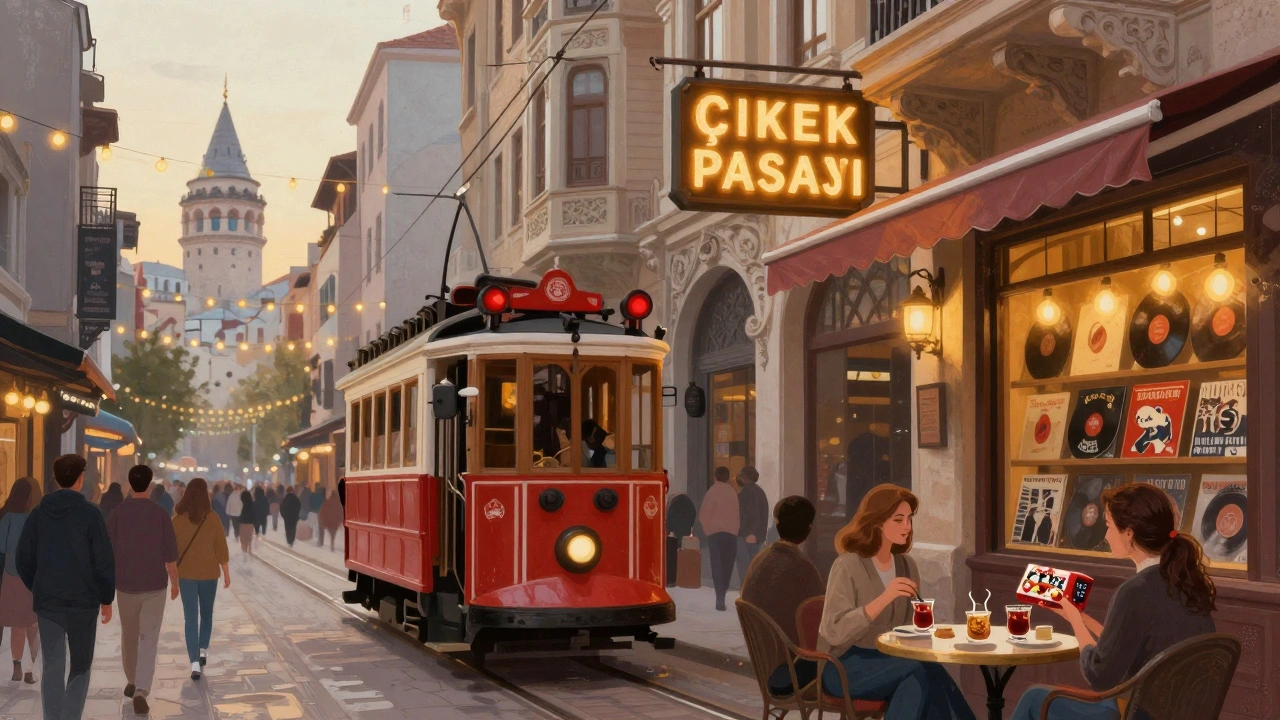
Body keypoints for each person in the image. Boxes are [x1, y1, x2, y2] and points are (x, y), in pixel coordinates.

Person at [1010, 483, 1217, 720]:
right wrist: (1079, 617)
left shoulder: (1135, 591)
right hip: (1178, 712)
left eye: (1108, 526)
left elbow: (1099, 675)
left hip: (1137, 713)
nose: (1106, 534)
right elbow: (1129, 644)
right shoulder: (1185, 580)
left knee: (1034, 698)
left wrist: (1076, 622)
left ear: (1129, 533)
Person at [818, 484, 975, 720]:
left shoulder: (906, 565)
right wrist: (885, 597)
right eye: (898, 520)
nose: (907, 527)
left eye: (909, 519)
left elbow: (907, 628)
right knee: (918, 671)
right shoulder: (848, 565)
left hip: (891, 659)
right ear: (878, 522)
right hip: (845, 664)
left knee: (921, 677)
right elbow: (833, 631)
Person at [16, 454, 116, 720]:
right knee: (81, 665)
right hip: (84, 603)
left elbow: (23, 559)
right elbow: (103, 561)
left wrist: (38, 585)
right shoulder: (92, 515)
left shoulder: (39, 514)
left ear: (56, 478)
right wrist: (106, 598)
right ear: (81, 478)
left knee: (52, 664)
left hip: (48, 603)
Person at [107, 465, 179, 714]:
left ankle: (131, 679)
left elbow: (108, 551)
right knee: (149, 637)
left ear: (130, 484)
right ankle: (141, 689)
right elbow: (170, 554)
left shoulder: (117, 513)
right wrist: (175, 582)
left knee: (129, 633)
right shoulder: (160, 515)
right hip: (154, 585)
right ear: (149, 486)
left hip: (125, 584)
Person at [740, 495, 825, 695]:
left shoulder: (760, 560)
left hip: (768, 668)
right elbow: (826, 618)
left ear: (777, 525)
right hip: (792, 670)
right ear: (809, 529)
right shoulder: (802, 568)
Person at [171, 478, 230, 681]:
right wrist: (226, 571)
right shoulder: (212, 518)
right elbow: (220, 547)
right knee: (206, 614)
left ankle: (194, 661)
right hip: (208, 574)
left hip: (186, 574)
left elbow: (171, 550)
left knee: (190, 618)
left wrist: (172, 576)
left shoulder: (177, 520)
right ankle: (203, 648)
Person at [0, 477, 42, 684]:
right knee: (33, 624)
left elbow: (1, 547)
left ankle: (17, 665)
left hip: (11, 577)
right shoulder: (36, 519)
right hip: (32, 578)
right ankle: (29, 669)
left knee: (17, 625)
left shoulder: (7, 518)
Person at [698, 466, 739, 611]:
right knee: (727, 564)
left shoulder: (712, 492)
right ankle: (723, 591)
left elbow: (703, 514)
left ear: (715, 477)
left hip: (715, 534)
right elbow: (737, 514)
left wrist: (707, 529)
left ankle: (719, 596)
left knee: (717, 564)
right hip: (731, 534)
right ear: (728, 478)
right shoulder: (733, 492)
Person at [735, 465, 769, 584]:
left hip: (745, 535)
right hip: (756, 535)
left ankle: (745, 591)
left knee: (744, 565)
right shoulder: (760, 492)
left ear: (745, 477)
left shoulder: (746, 493)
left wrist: (751, 533)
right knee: (753, 565)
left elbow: (751, 515)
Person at [236, 489, 255, 554]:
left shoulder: (240, 503)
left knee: (243, 536)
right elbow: (254, 513)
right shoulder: (252, 503)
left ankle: (244, 549)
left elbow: (238, 512)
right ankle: (249, 546)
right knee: (249, 535)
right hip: (250, 522)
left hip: (242, 522)